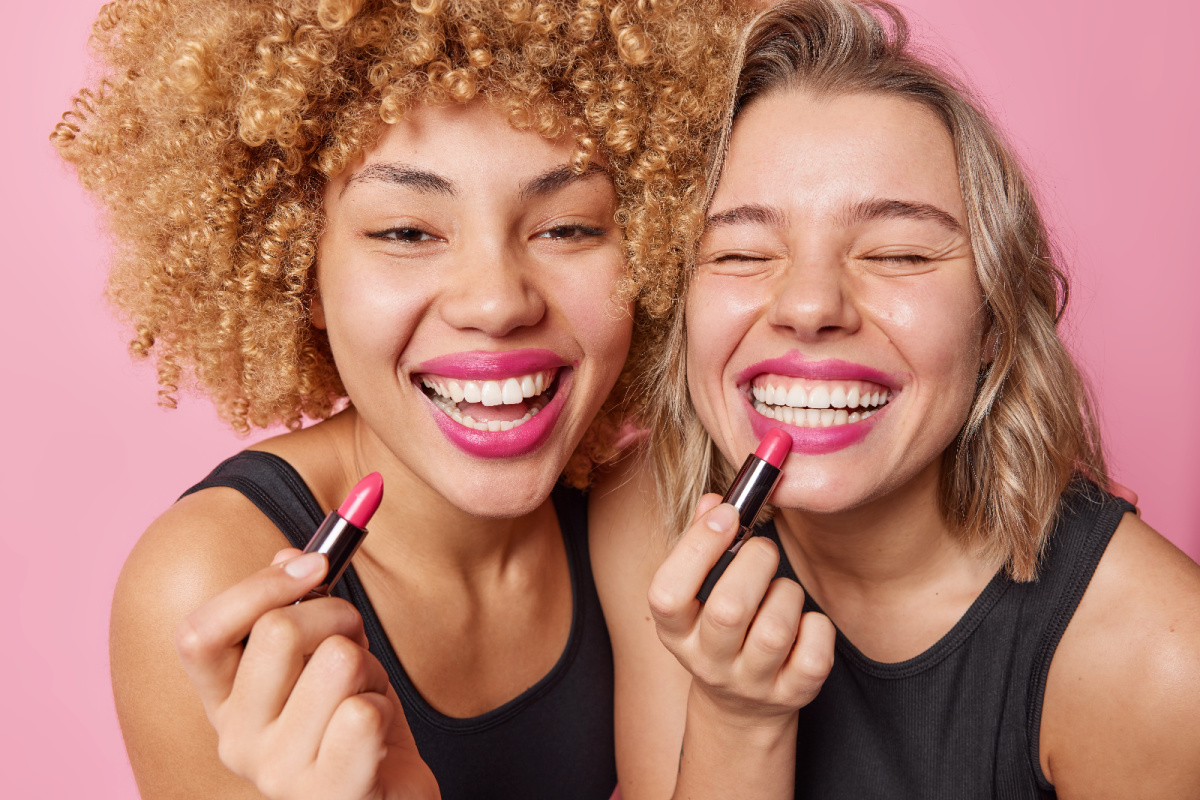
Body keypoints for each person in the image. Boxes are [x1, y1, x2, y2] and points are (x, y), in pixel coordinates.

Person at [52, 1, 735, 798]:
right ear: (300, 269)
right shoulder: (209, 588)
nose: (496, 301)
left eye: (569, 227)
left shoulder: (644, 507)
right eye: (407, 232)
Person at [589, 1, 1200, 797]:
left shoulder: (1161, 662)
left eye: (898, 252)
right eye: (740, 250)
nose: (810, 306)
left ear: (995, 320)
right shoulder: (651, 510)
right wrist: (739, 721)